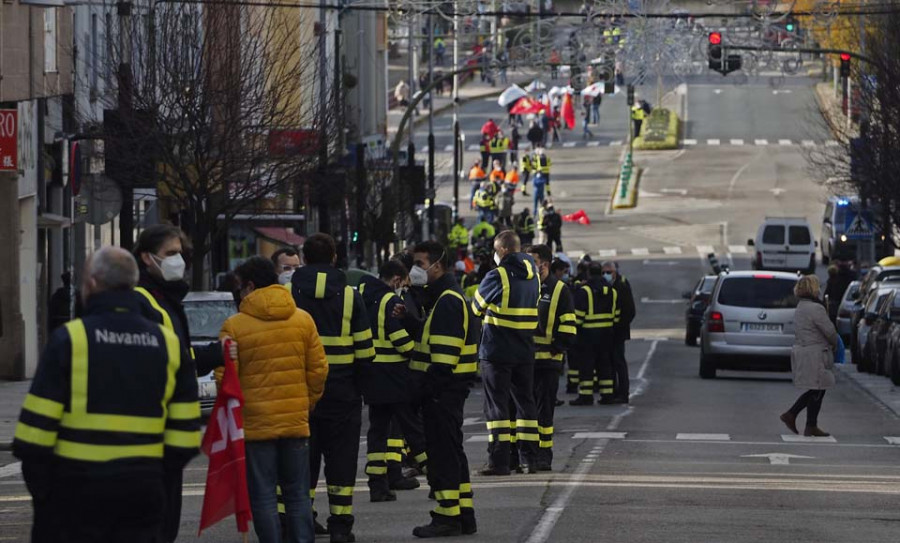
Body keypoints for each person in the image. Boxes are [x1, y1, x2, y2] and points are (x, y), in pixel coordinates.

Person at [13, 247, 200, 543]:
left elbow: (34, 435)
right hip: (142, 490)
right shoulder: (168, 344)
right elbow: (186, 434)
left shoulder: (71, 338)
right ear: (133, 282)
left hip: (77, 490)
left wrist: (48, 493)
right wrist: (156, 475)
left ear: (92, 284)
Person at [222, 257, 328, 543]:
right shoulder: (303, 319)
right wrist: (308, 401)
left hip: (256, 425)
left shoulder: (234, 326)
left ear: (250, 286)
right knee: (297, 493)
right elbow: (318, 368)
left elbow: (225, 378)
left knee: (264, 494)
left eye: (240, 287)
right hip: (295, 420)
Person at [132, 224, 226, 542]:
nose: (179, 261)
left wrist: (216, 355)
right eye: (170, 254)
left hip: (171, 431)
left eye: (181, 254)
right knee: (154, 523)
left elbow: (179, 354)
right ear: (147, 258)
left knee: (166, 521)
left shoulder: (167, 298)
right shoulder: (144, 300)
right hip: (153, 431)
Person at [291, 233, 375, 543]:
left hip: (300, 392)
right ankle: (341, 526)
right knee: (341, 461)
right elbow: (366, 351)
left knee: (303, 459)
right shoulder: (351, 295)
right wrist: (363, 388)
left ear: (304, 257)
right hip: (342, 392)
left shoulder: (288, 291)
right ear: (335, 257)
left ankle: (303, 521)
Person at [409, 241, 479, 538]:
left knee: (442, 457)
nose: (416, 269)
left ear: (438, 265)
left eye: (420, 263)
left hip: (442, 392)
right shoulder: (444, 298)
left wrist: (425, 391)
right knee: (452, 452)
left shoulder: (448, 300)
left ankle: (446, 516)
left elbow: (443, 360)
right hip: (447, 392)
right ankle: (463, 514)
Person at [358, 261, 429, 502]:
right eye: (404, 282)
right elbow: (399, 338)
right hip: (395, 374)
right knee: (413, 429)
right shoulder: (390, 301)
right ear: (397, 279)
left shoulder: (363, 296)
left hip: (372, 374)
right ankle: (440, 479)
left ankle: (378, 485)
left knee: (378, 431)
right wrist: (417, 352)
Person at [472, 231, 541, 475]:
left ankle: (499, 461)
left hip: (497, 349)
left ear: (502, 250)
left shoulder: (497, 275)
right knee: (526, 405)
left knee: (497, 407)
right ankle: (529, 459)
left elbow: (476, 307)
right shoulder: (534, 276)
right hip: (524, 349)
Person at [526, 244, 576, 469]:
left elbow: (568, 327)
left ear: (543, 265)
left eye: (530, 261)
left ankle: (543, 456)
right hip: (525, 362)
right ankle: (526, 455)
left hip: (548, 362)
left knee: (544, 412)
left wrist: (557, 348)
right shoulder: (525, 287)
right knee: (525, 412)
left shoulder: (559, 290)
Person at [780, 275, 838, 438]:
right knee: (818, 389)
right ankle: (794, 415)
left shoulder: (801, 306)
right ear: (813, 288)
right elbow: (829, 331)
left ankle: (810, 424)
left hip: (805, 351)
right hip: (815, 353)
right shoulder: (816, 308)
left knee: (817, 388)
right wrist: (835, 343)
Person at [569, 262, 618, 405]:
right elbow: (616, 315)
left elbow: (578, 317)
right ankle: (607, 395)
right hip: (607, 335)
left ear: (589, 274)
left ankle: (586, 396)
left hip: (588, 336)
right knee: (605, 366)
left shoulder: (585, 291)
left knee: (587, 366)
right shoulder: (611, 291)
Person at [602, 261, 635, 404]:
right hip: (607, 332)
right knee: (608, 363)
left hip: (618, 332)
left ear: (615, 272)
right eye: (604, 272)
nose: (606, 275)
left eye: (609, 272)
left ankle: (623, 392)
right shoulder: (604, 286)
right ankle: (611, 392)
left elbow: (630, 311)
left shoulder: (622, 285)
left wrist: (619, 326)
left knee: (619, 362)